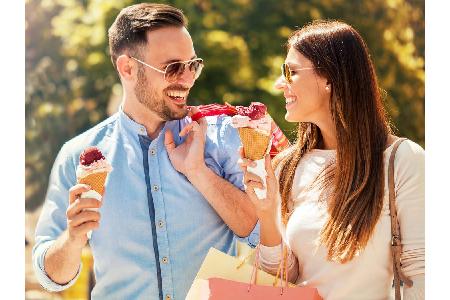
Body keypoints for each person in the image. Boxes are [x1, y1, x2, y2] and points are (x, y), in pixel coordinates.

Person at [32, 3, 258, 299]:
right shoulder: (78, 155)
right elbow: (51, 278)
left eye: (193, 65)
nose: (187, 78)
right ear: (128, 67)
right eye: (173, 67)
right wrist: (73, 239)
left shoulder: (220, 136)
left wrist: (199, 173)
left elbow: (260, 234)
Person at [239, 20, 424, 299]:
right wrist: (267, 215)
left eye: (291, 72)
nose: (280, 84)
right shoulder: (288, 166)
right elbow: (280, 280)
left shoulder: (402, 161)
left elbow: (423, 275)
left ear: (329, 78)